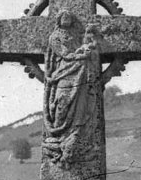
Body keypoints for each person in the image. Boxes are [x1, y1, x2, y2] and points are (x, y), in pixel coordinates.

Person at [43, 13, 102, 164]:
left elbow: (84, 46)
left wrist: (86, 49)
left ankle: (76, 135)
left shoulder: (75, 35)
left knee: (80, 103)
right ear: (59, 20)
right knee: (61, 101)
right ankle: (59, 135)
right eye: (64, 18)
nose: (67, 20)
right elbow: (65, 54)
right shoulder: (54, 36)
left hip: (80, 72)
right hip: (64, 72)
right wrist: (80, 55)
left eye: (69, 18)